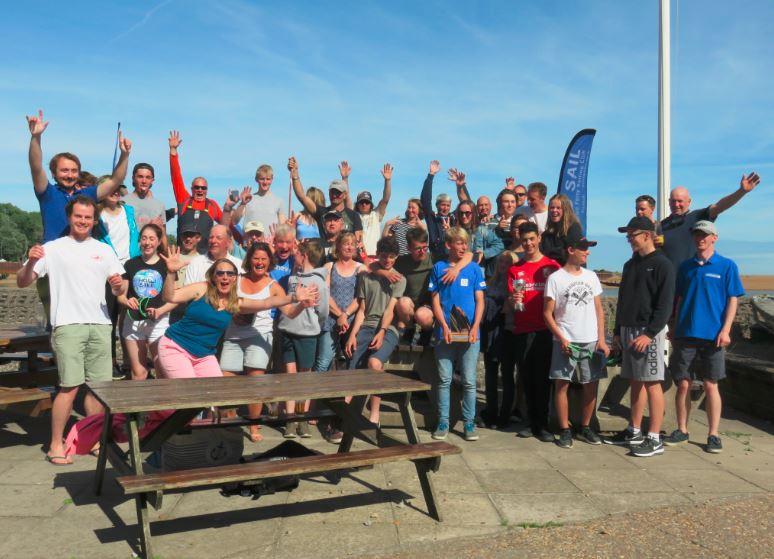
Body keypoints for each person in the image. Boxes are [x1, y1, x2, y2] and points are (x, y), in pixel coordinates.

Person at [16, 196, 127, 465]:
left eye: (88, 217)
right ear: (69, 217)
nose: (83, 221)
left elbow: (120, 288)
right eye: (78, 216)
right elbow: (22, 281)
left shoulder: (104, 249)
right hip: (67, 325)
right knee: (69, 387)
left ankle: (93, 440)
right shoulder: (52, 248)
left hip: (100, 325)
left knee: (99, 389)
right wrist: (31, 262)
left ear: (94, 221)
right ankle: (55, 443)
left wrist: (117, 285)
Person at [158, 246, 317, 380]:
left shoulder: (235, 302)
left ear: (235, 279)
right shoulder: (202, 288)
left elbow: (266, 302)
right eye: (220, 273)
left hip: (204, 355)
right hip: (176, 346)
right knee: (188, 394)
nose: (225, 277)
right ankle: (160, 416)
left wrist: (295, 297)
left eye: (230, 274)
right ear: (213, 276)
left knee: (215, 394)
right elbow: (170, 296)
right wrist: (171, 273)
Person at [664, 221, 744, 454]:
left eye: (705, 235)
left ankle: (713, 434)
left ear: (714, 238)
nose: (701, 238)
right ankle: (682, 429)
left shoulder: (727, 266)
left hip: (714, 336)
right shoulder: (685, 267)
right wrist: (673, 324)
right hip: (686, 333)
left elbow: (732, 299)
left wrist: (726, 329)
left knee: (711, 385)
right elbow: (677, 299)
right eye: (697, 234)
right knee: (683, 384)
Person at [605, 216, 675, 457]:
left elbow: (665, 306)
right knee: (635, 381)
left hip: (648, 333)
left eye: (632, 235)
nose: (629, 240)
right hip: (627, 330)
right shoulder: (629, 264)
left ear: (647, 234)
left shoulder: (663, 264)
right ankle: (634, 430)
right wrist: (616, 332)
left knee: (653, 383)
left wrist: (650, 333)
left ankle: (654, 437)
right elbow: (623, 300)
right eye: (627, 236)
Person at [543, 230, 609, 448]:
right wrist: (561, 338)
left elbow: (599, 309)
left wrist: (601, 339)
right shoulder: (555, 279)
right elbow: (547, 313)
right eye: (583, 248)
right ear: (570, 250)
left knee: (590, 384)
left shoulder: (591, 277)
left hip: (590, 340)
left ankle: (586, 427)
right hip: (565, 341)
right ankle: (564, 429)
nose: (587, 253)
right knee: (562, 384)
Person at [220, 242, 287, 442]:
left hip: (260, 336)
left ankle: (254, 424)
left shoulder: (273, 286)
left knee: (255, 381)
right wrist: (232, 314)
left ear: (269, 262)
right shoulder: (236, 280)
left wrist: (302, 303)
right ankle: (230, 421)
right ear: (249, 260)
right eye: (256, 258)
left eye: (263, 259)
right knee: (226, 380)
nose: (259, 262)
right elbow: (222, 301)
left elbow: (289, 311)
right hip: (233, 336)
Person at [429, 227, 486, 442]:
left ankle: (469, 423)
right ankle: (443, 421)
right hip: (445, 333)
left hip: (471, 335)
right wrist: (442, 324)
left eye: (465, 243)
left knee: (470, 381)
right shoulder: (438, 267)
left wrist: (475, 327)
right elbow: (434, 299)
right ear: (448, 245)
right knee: (444, 380)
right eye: (459, 243)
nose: (463, 247)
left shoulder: (473, 269)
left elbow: (480, 300)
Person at [506, 222, 560, 441]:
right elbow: (511, 301)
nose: (528, 243)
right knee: (526, 378)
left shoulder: (552, 266)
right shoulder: (514, 269)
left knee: (544, 379)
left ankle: (543, 424)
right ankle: (530, 422)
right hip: (522, 329)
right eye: (524, 240)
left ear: (538, 238)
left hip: (546, 330)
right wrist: (512, 299)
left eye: (531, 239)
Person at [345, 237, 406, 425]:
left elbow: (390, 309)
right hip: (366, 326)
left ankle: (374, 414)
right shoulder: (366, 276)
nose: (388, 260)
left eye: (392, 257)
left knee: (374, 362)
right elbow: (362, 310)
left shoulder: (399, 279)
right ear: (378, 254)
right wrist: (352, 335)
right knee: (352, 367)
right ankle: (347, 417)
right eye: (384, 256)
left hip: (388, 328)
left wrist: (382, 331)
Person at [276, 239, 330, 438]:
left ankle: (303, 418)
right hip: (288, 331)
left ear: (304, 256)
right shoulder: (293, 279)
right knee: (291, 376)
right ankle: (291, 419)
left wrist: (313, 322)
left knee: (304, 376)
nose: (293, 255)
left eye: (297, 253)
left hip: (307, 335)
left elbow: (322, 311)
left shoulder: (320, 282)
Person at [660, 173, 761, 271]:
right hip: (668, 283)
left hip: (692, 278)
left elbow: (719, 206)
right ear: (669, 202)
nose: (676, 204)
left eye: (680, 201)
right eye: (673, 201)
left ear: (689, 201)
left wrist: (741, 191)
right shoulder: (661, 225)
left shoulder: (697, 217)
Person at [119, 224, 176, 380]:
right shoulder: (130, 264)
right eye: (144, 238)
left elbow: (174, 298)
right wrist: (127, 300)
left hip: (159, 322)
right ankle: (138, 404)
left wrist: (160, 311)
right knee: (139, 372)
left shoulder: (166, 265)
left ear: (158, 242)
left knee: (162, 369)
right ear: (139, 241)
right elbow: (120, 295)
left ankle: (163, 404)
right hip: (134, 322)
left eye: (152, 238)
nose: (147, 242)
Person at [168, 130, 231, 252]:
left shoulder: (212, 205)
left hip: (205, 258)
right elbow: (176, 176)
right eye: (197, 187)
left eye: (203, 188)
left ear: (207, 190)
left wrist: (230, 208)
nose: (200, 190)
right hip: (183, 255)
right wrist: (173, 151)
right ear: (192, 189)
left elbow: (226, 227)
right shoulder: (184, 200)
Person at [479, 252, 516, 429]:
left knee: (507, 375)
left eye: (508, 261)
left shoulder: (514, 283)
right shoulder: (490, 282)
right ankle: (491, 411)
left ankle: (505, 415)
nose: (503, 263)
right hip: (490, 331)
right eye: (501, 260)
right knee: (490, 374)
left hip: (507, 331)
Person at [318, 233, 365, 372]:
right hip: (330, 320)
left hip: (351, 322)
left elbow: (360, 297)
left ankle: (347, 393)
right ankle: (314, 392)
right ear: (338, 246)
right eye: (346, 243)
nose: (349, 247)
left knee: (351, 359)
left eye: (352, 244)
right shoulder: (329, 266)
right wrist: (340, 315)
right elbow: (325, 293)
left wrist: (345, 315)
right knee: (324, 360)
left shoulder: (361, 268)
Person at [289, 157, 363, 240]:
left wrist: (345, 179)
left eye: (338, 193)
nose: (334, 195)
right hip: (324, 252)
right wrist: (295, 173)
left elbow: (358, 241)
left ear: (345, 194)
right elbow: (302, 196)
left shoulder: (353, 215)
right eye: (332, 192)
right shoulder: (322, 212)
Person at [350, 163, 393, 256]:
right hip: (357, 257)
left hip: (375, 256)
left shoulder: (376, 214)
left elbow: (386, 199)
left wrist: (387, 180)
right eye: (361, 202)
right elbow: (346, 199)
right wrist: (345, 179)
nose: (364, 204)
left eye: (367, 202)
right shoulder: (353, 216)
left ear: (371, 204)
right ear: (357, 204)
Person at [231, 164, 286, 231]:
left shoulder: (279, 201)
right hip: (250, 240)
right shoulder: (248, 199)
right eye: (262, 179)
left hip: (270, 241)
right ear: (256, 179)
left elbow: (283, 228)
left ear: (272, 180)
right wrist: (242, 204)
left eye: (268, 179)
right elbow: (234, 221)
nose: (265, 182)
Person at [420, 160, 456, 260]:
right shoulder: (432, 218)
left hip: (452, 258)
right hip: (435, 257)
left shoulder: (454, 218)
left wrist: (459, 184)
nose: (445, 208)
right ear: (437, 205)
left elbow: (466, 204)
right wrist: (431, 175)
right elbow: (425, 200)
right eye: (443, 205)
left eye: (448, 205)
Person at [540, 193, 583, 265]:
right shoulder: (546, 235)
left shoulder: (573, 229)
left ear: (565, 210)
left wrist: (553, 252)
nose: (554, 210)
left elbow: (573, 254)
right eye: (552, 208)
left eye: (558, 208)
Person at [123, 163, 166, 228]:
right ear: (133, 178)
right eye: (140, 177)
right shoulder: (123, 203)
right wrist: (150, 226)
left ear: (152, 180)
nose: (144, 181)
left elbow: (163, 236)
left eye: (148, 177)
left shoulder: (160, 205)